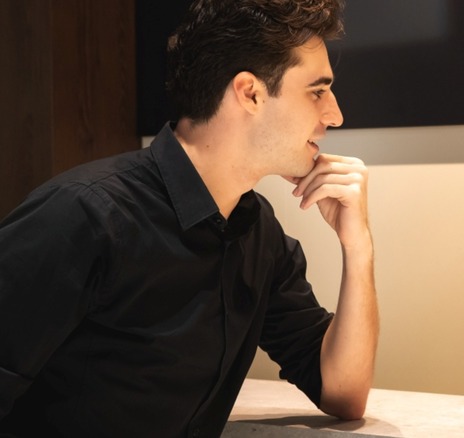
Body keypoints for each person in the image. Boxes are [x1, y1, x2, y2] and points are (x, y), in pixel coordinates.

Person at [0, 0, 378, 436]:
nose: (334, 114)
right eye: (317, 91)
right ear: (249, 92)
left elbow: (343, 392)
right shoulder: (84, 215)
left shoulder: (256, 231)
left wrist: (359, 247)